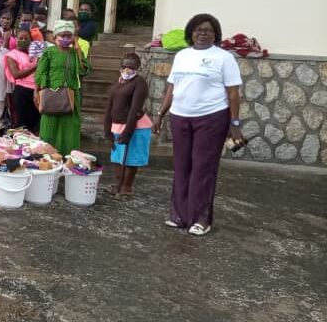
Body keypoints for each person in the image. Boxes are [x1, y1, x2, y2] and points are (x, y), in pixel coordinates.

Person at [153, 14, 244, 236]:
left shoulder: (224, 58)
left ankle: (201, 219)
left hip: (212, 118)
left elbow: (233, 93)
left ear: (215, 34)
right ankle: (178, 215)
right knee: (182, 166)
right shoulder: (182, 56)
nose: (202, 33)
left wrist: (234, 123)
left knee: (203, 169)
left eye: (208, 30)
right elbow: (172, 88)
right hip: (180, 117)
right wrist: (160, 114)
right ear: (190, 33)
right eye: (197, 30)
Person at [35, 20, 90, 156]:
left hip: (71, 97)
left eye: (68, 36)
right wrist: (37, 92)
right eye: (62, 36)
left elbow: (84, 71)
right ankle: (47, 159)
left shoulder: (74, 53)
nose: (65, 39)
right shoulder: (49, 52)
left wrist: (78, 50)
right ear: (55, 36)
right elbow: (40, 73)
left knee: (70, 131)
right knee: (49, 130)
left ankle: (67, 160)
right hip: (51, 97)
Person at [104, 53, 151, 198]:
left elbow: (134, 110)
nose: (127, 69)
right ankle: (118, 185)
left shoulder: (139, 82)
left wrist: (128, 132)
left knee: (131, 159)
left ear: (138, 67)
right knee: (118, 157)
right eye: (124, 66)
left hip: (135, 127)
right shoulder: (119, 82)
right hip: (118, 126)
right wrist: (108, 132)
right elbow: (109, 108)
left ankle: (126, 187)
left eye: (131, 66)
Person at [5, 28, 40, 132]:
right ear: (16, 39)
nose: (23, 40)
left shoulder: (35, 54)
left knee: (35, 121)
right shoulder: (12, 55)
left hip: (37, 90)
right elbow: (16, 74)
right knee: (22, 122)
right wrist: (35, 67)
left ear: (30, 40)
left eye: (26, 38)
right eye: (21, 38)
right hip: (22, 91)